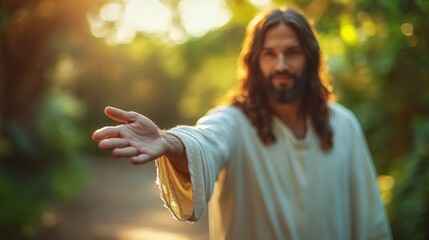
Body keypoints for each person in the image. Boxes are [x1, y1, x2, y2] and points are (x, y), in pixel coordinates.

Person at [92, 6, 392, 240]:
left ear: (311, 59)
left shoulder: (344, 125)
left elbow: (371, 222)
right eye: (269, 54)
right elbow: (205, 142)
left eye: (292, 53)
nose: (281, 65)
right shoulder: (235, 121)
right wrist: (169, 142)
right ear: (254, 62)